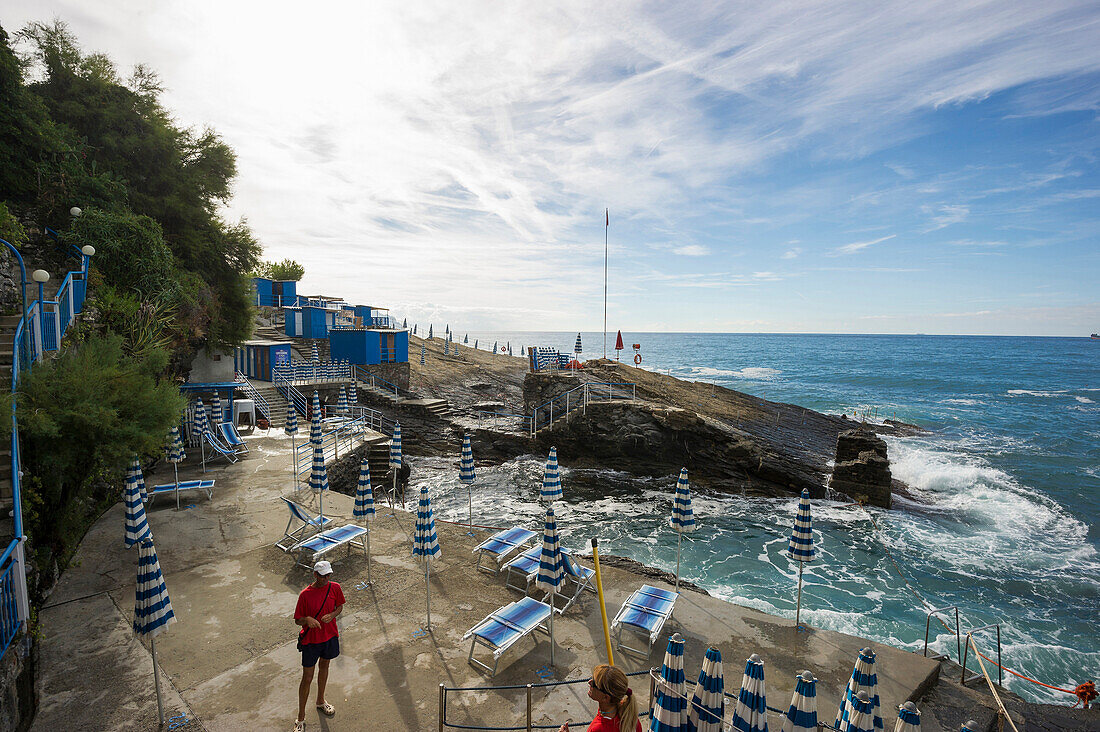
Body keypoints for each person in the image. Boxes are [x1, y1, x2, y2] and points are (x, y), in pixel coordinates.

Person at [292, 560, 345, 732]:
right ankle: (300, 718)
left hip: (329, 637)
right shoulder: (305, 595)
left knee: (325, 667)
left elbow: (340, 606)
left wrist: (332, 614)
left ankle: (321, 700)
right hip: (310, 642)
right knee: (307, 677)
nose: (326, 579)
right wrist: (307, 620)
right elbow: (297, 620)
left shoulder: (334, 587)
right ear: (315, 575)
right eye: (323, 576)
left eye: (328, 575)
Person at [559, 664, 641, 732]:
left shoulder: (597, 729)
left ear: (605, 697)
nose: (589, 682)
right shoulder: (631, 718)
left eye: (594, 684)